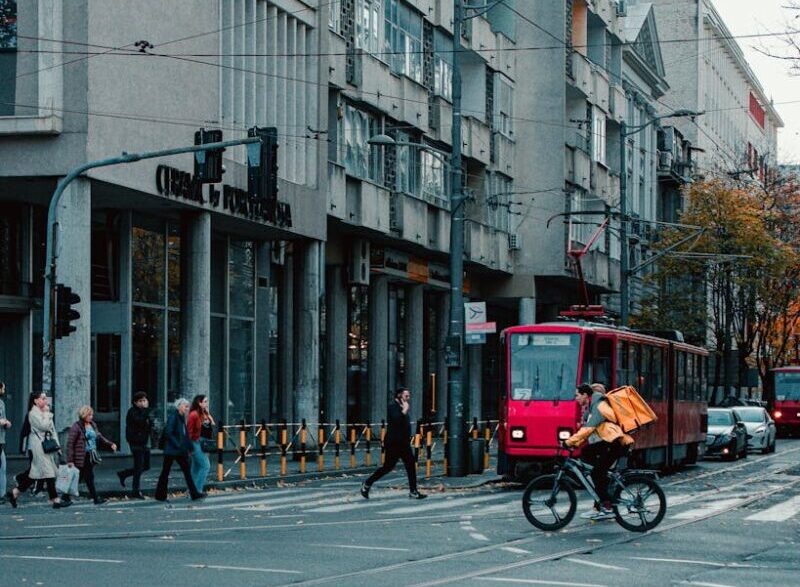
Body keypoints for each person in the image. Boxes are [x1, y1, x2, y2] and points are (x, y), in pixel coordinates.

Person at [566, 383, 633, 520]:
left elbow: (587, 429)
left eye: (577, 396)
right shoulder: (594, 405)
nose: (576, 399)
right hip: (609, 442)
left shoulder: (598, 406)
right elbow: (587, 430)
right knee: (587, 453)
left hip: (614, 443)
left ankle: (607, 506)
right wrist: (575, 444)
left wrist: (568, 442)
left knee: (597, 472)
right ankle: (601, 501)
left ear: (585, 395)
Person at [7, 392, 71, 509]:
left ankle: (14, 493)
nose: (45, 400)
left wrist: (57, 446)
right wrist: (47, 413)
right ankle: (55, 500)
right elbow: (44, 426)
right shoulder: (33, 414)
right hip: (37, 447)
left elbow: (52, 430)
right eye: (43, 398)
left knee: (36, 474)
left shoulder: (44, 413)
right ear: (36, 401)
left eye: (46, 398)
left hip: (46, 447)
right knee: (49, 473)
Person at [361, 388, 426, 500]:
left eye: (408, 396)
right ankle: (367, 483)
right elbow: (396, 420)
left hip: (403, 443)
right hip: (394, 443)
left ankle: (413, 491)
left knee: (411, 465)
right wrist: (405, 410)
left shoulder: (402, 408)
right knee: (387, 467)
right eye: (406, 396)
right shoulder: (393, 407)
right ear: (399, 396)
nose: (408, 398)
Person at [154, 398, 205, 502]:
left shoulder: (181, 418)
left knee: (185, 471)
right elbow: (169, 432)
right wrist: (178, 444)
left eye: (187, 406)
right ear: (178, 406)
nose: (187, 408)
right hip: (172, 450)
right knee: (166, 472)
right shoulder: (174, 417)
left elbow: (185, 435)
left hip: (178, 450)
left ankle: (194, 493)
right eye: (185, 406)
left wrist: (189, 447)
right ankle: (160, 495)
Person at [66, 406, 117, 505]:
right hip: (81, 456)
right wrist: (70, 459)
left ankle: (66, 497)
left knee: (82, 477)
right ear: (83, 415)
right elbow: (70, 444)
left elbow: (99, 436)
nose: (91, 417)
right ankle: (95, 499)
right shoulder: (76, 426)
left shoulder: (93, 425)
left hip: (91, 454)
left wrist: (110, 444)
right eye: (89, 415)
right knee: (88, 477)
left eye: (92, 414)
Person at [117, 392, 153, 499]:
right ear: (135, 402)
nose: (143, 403)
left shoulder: (145, 412)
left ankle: (124, 474)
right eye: (140, 401)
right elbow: (139, 422)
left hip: (145, 442)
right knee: (138, 467)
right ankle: (135, 491)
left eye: (144, 400)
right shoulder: (132, 412)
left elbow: (149, 426)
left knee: (146, 466)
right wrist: (146, 411)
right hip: (136, 443)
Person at [187, 395, 214, 494]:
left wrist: (207, 415)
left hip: (204, 443)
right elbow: (189, 431)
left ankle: (191, 490)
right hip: (196, 442)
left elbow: (212, 425)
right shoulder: (193, 414)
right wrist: (188, 446)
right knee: (205, 466)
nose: (207, 403)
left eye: (207, 401)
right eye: (205, 401)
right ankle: (197, 490)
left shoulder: (204, 413)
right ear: (199, 403)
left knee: (196, 467)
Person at [0, 382, 11, 502]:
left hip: (1, 439)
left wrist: (6, 423)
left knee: (2, 467)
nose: (4, 390)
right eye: (3, 388)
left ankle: (2, 494)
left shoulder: (1, 403)